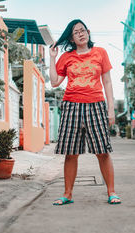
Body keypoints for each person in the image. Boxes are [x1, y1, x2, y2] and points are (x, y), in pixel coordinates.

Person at [49, 19, 121, 205]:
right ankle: (67, 194)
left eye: (83, 30)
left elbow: (107, 82)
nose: (81, 33)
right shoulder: (67, 57)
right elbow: (55, 81)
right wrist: (52, 57)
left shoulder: (100, 53)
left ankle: (111, 192)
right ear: (72, 39)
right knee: (70, 153)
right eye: (76, 32)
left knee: (102, 151)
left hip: (96, 105)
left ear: (88, 32)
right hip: (71, 106)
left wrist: (110, 109)